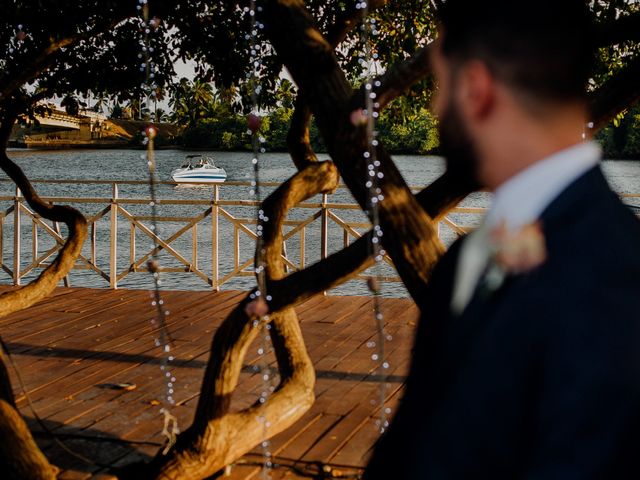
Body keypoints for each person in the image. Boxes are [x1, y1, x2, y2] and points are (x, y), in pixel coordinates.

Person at [364, 1, 640, 478]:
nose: (434, 107)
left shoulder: (617, 287)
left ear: (475, 89)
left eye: (439, 85)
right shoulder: (464, 259)